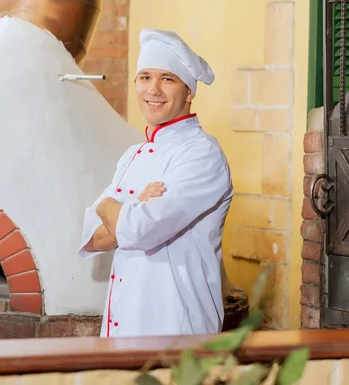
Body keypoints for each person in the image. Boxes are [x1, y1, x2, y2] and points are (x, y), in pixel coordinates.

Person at [79, 28, 234, 338]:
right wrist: (134, 207)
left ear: (189, 91)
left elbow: (139, 230)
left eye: (167, 78)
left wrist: (110, 205)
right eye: (145, 77)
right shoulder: (131, 155)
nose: (153, 90)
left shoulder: (203, 153)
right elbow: (93, 239)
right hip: (125, 323)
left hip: (176, 324)